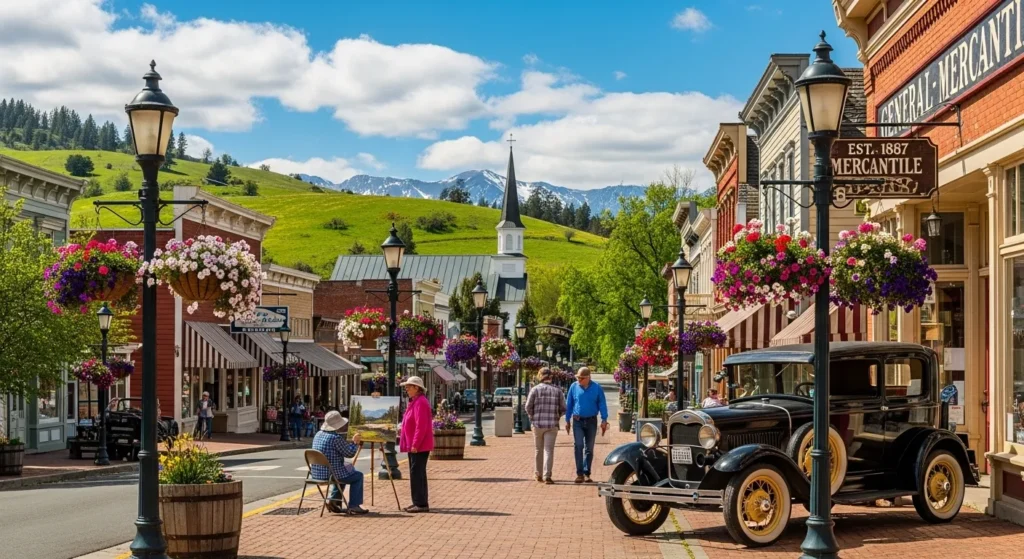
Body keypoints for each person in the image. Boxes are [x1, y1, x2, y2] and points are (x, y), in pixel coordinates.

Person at [311, 411, 369, 515]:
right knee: (357, 476)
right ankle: (354, 506)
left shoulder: (318, 434)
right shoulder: (335, 438)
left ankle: (334, 502)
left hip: (317, 473)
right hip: (331, 474)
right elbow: (349, 453)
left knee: (344, 471)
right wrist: (355, 443)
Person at [564, 367, 608, 483]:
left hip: (591, 421)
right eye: (578, 378)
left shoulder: (597, 388)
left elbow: (602, 403)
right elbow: (569, 404)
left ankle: (586, 472)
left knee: (589, 448)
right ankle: (579, 474)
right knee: (578, 445)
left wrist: (604, 419)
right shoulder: (574, 387)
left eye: (582, 378)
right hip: (577, 421)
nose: (579, 380)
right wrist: (567, 420)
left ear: (589, 377)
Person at [399, 376, 434, 513]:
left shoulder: (421, 403)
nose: (406, 389)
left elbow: (421, 426)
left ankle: (420, 503)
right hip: (415, 445)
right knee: (416, 473)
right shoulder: (415, 402)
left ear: (417, 388)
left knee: (417, 473)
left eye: (409, 387)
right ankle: (418, 502)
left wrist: (415, 444)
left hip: (419, 446)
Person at [526, 367, 566, 484]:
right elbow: (564, 408)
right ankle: (547, 475)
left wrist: (532, 417)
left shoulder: (535, 390)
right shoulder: (557, 391)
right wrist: (557, 416)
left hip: (537, 424)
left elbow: (528, 406)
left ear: (540, 376)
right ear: (551, 377)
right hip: (552, 424)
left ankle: (538, 474)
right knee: (549, 450)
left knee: (538, 449)